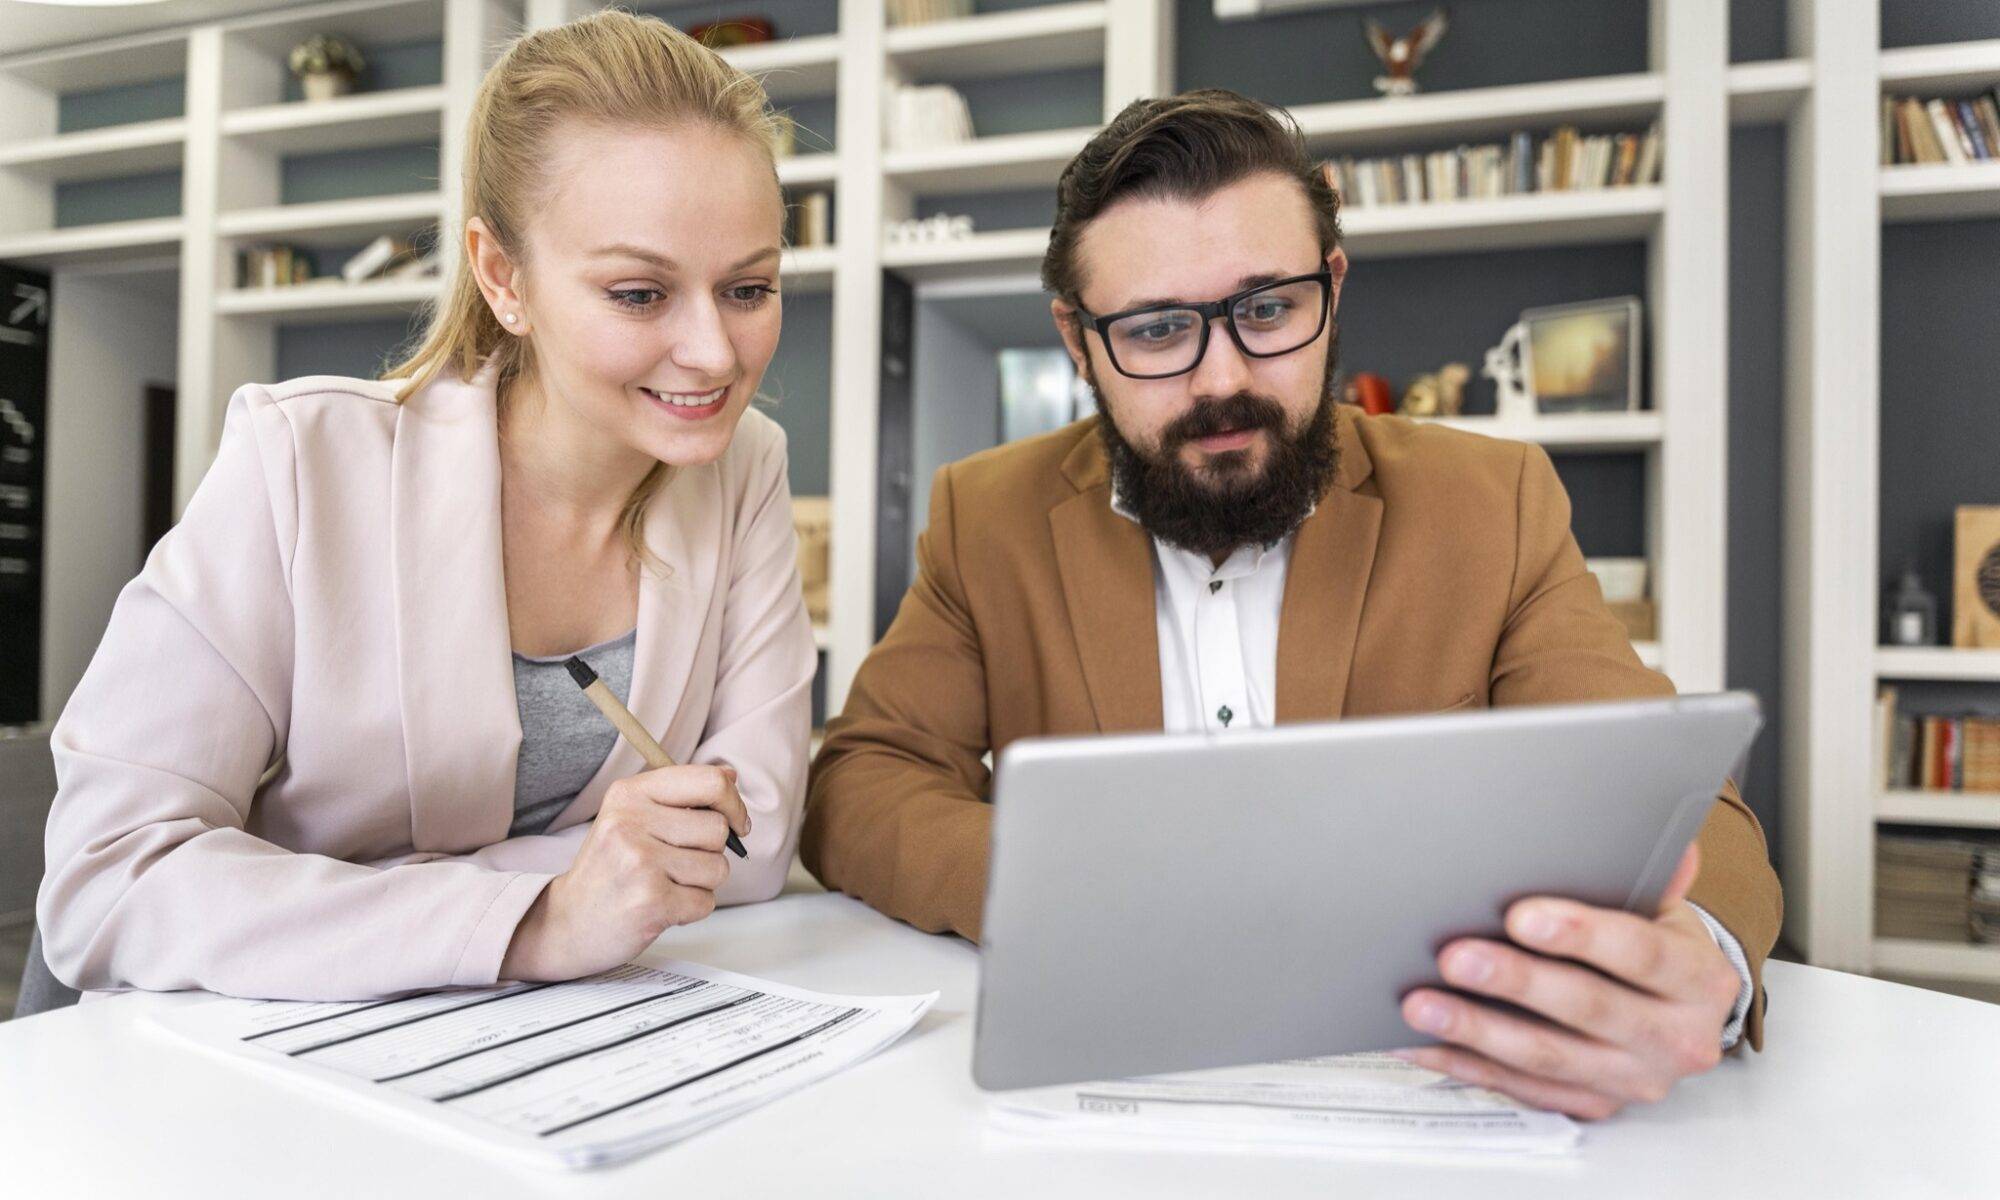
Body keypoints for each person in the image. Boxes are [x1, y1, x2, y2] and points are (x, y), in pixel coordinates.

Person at [802, 89, 1783, 1121]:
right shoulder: (983, 517)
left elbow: (1665, 795)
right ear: (1077, 340)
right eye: (1153, 328)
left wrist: (1698, 958)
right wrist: (1073, 887)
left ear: (1331, 288)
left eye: (1267, 309)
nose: (1222, 377)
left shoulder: (1490, 503)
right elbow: (863, 780)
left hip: (1423, 1096)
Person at [35, 10, 815, 1001]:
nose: (713, 352)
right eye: (636, 294)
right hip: (272, 1073)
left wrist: (365, 902)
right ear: (503, 276)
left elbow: (753, 835)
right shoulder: (300, 463)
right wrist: (541, 918)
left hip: (565, 1054)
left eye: (747, 289)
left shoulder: (743, 467)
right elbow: (109, 883)